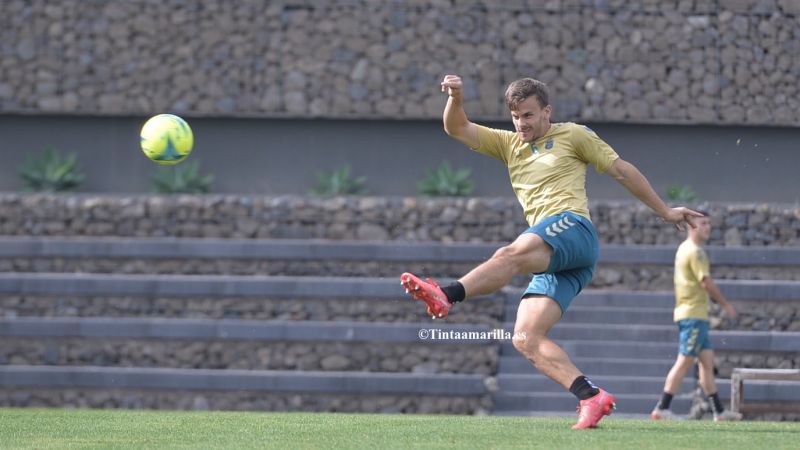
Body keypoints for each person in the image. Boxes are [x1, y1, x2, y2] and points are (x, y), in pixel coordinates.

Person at [400, 74, 703, 429]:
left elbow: (621, 171)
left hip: (573, 229)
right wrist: (456, 96)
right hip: (559, 259)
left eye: (528, 115)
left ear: (547, 111)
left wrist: (665, 211)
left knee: (511, 253)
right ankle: (590, 396)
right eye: (515, 116)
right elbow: (458, 128)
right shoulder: (508, 144)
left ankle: (447, 293)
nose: (521, 124)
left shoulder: (573, 135)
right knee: (525, 337)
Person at [651, 213, 742, 422]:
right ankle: (661, 408)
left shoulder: (684, 249)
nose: (708, 227)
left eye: (709, 223)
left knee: (707, 362)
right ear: (692, 226)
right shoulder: (696, 252)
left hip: (694, 315)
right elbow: (705, 282)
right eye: (703, 223)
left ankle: (718, 411)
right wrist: (726, 304)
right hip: (692, 315)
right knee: (684, 361)